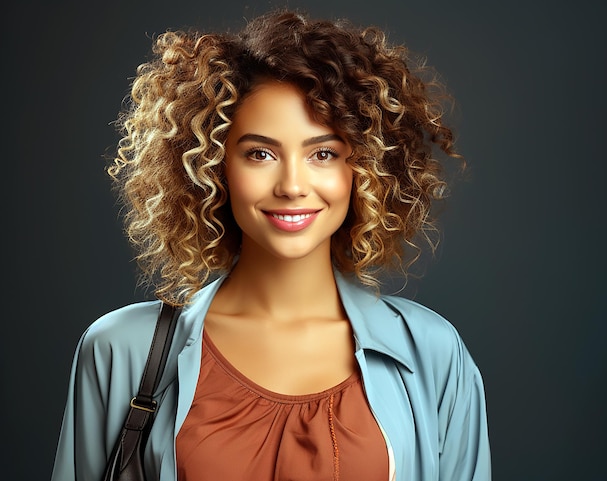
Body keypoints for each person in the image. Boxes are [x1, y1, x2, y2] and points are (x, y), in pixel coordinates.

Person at [51, 8, 491, 481]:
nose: (292, 185)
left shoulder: (432, 354)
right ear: (212, 167)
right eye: (260, 153)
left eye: (323, 153)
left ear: (364, 169)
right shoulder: (121, 351)